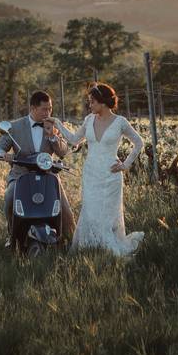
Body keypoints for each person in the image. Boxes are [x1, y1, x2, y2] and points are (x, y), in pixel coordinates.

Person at [51, 82, 145, 256]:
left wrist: (125, 165)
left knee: (108, 213)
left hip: (111, 175)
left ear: (102, 102)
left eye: (92, 101)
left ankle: (108, 248)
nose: (90, 105)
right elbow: (73, 139)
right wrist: (57, 123)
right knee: (91, 209)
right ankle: (91, 246)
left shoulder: (120, 122)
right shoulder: (89, 120)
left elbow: (139, 142)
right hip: (91, 174)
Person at [0, 91, 75, 247]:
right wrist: (3, 155)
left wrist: (52, 136)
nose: (48, 113)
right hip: (20, 175)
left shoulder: (52, 125)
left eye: (50, 109)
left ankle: (70, 243)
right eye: (44, 109)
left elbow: (63, 151)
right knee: (10, 198)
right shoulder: (15, 126)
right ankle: (12, 236)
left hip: (48, 175)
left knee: (64, 209)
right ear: (32, 108)